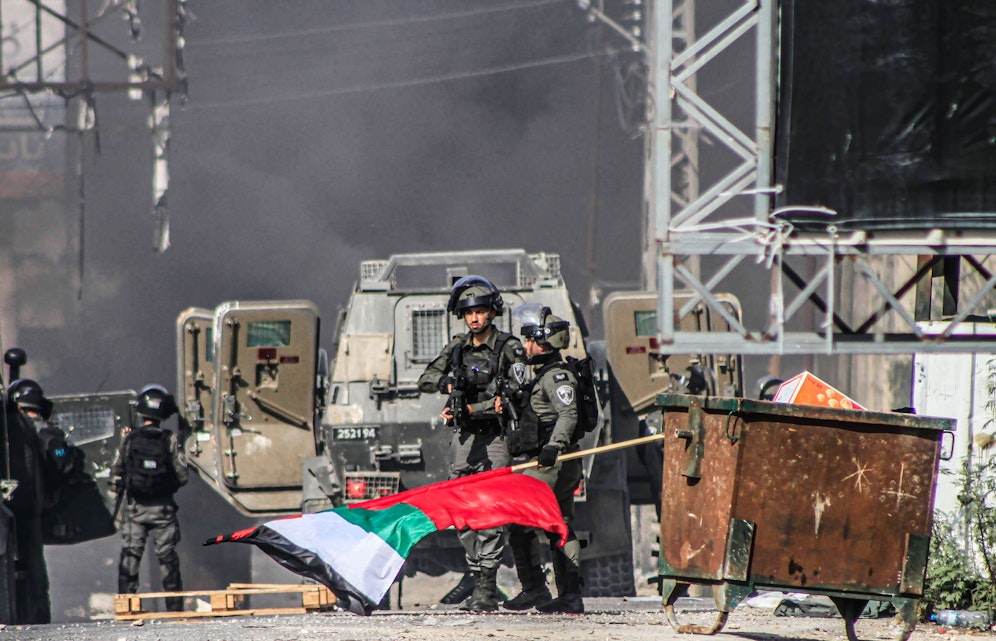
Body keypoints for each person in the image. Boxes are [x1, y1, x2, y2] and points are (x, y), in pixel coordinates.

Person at [418, 275, 527, 612]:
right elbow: (426, 379)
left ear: (492, 313)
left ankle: (486, 587)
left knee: (493, 506)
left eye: (480, 311)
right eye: (469, 313)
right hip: (465, 438)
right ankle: (476, 569)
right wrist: (449, 385)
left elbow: (518, 390)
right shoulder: (456, 347)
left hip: (495, 436)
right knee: (461, 506)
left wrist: (474, 407)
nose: (474, 318)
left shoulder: (509, 347)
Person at [500, 303, 585, 614]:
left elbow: (568, 413)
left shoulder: (557, 376)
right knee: (558, 524)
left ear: (543, 341)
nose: (525, 346)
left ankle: (536, 589)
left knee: (521, 523)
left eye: (529, 339)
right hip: (552, 460)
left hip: (549, 463)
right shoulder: (542, 374)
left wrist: (553, 447)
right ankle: (570, 596)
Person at [110, 384, 188, 612]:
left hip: (136, 510)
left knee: (131, 557)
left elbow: (117, 471)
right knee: (168, 559)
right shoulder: (170, 440)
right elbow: (182, 476)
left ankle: (125, 606)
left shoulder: (130, 439)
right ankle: (174, 608)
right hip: (164, 510)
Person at [5, 378, 58, 624]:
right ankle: (38, 617)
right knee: (34, 568)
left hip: (15, 508)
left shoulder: (19, 429)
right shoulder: (39, 430)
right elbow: (59, 465)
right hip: (29, 508)